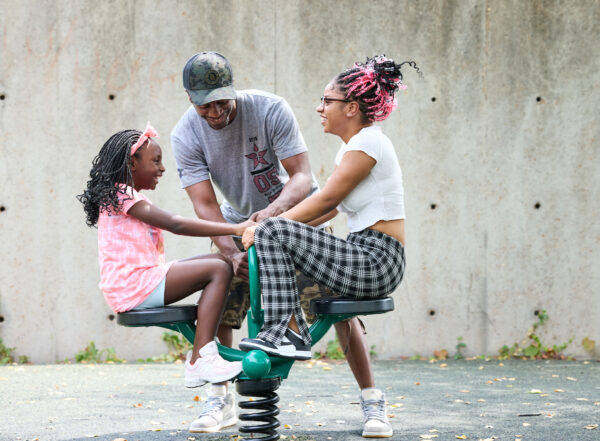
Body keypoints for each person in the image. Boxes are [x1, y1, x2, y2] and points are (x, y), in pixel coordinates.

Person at [171, 51, 381, 435]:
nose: (215, 112)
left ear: (232, 90)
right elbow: (204, 205)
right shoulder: (185, 134)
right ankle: (220, 402)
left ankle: (372, 402)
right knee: (221, 300)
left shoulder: (269, 109)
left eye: (221, 101)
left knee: (337, 309)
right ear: (190, 99)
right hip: (237, 226)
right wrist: (233, 252)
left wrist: (272, 217)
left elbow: (302, 177)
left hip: (298, 219)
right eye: (205, 106)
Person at [240, 55, 419, 438]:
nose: (320, 109)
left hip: (377, 258)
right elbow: (328, 211)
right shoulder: (353, 147)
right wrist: (264, 227)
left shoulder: (368, 142)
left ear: (351, 107)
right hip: (360, 252)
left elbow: (323, 201)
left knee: (273, 233)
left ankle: (285, 330)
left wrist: (269, 228)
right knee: (278, 249)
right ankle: (372, 403)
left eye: (327, 101)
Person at [77, 123, 255, 395]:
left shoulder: (122, 196)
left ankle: (204, 353)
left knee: (221, 261)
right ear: (132, 163)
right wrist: (235, 228)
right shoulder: (121, 194)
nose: (162, 168)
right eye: (156, 161)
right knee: (218, 269)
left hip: (138, 282)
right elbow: (176, 224)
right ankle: (201, 358)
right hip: (134, 287)